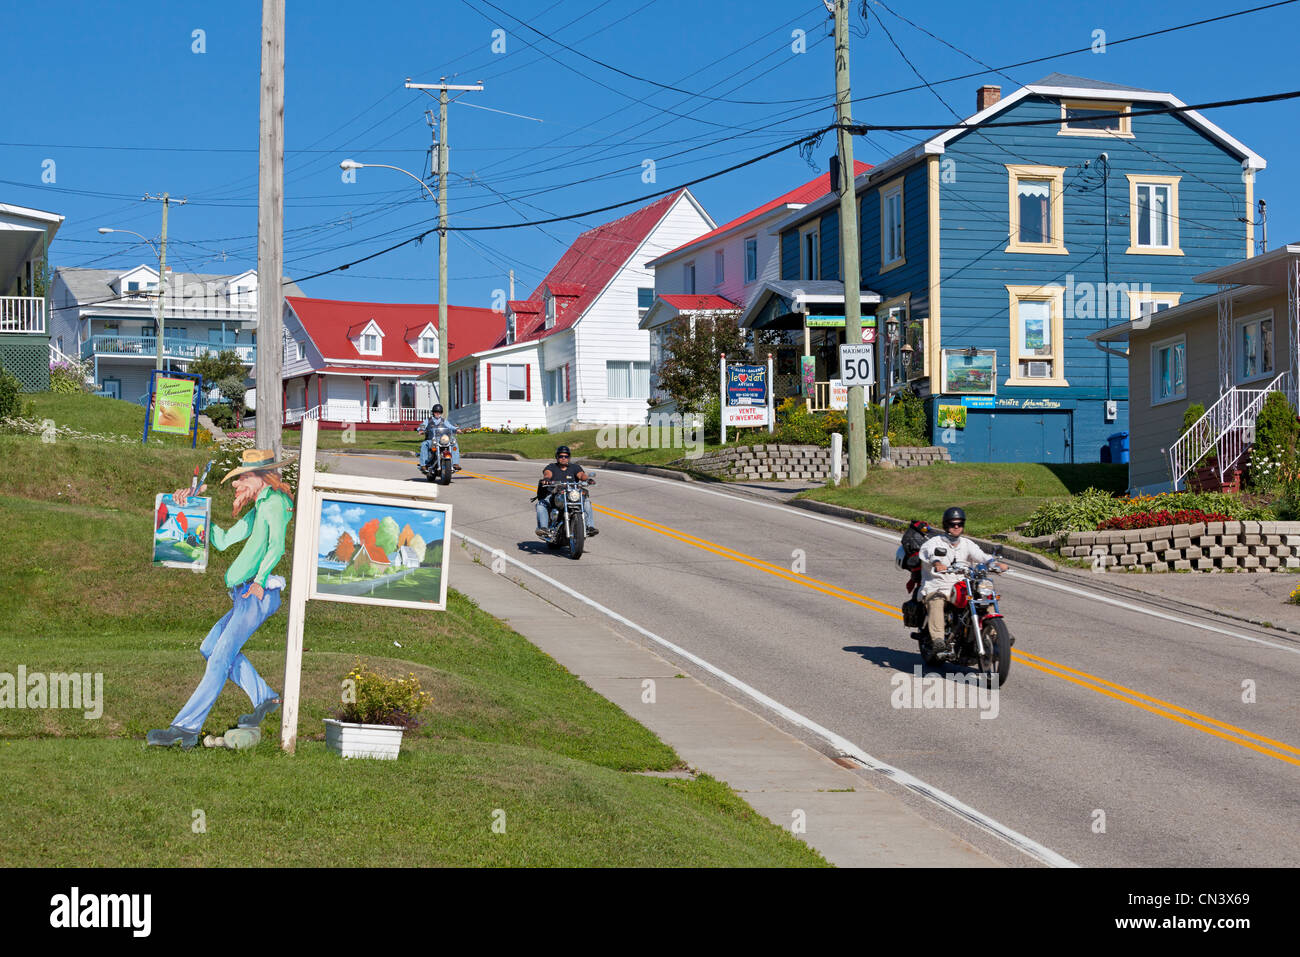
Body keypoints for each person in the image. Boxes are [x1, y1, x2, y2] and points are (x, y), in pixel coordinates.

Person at [146, 449, 295, 749]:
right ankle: (265, 697)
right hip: (244, 595)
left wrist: (259, 581)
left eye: (243, 477)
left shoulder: (275, 504)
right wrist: (196, 510)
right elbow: (224, 540)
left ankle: (185, 728)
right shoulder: (259, 508)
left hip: (257, 594)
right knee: (210, 647)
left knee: (219, 660)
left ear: (262, 477)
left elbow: (277, 547)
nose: (237, 483)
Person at [916, 506, 1007, 654]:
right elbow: (931, 554)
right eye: (953, 524)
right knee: (937, 600)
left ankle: (997, 635)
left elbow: (981, 556)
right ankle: (938, 639)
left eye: (960, 524)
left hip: (963, 585)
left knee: (985, 598)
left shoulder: (967, 543)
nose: (956, 527)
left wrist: (994, 563)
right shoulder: (934, 542)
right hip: (939, 584)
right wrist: (937, 564)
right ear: (946, 525)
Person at [535, 445, 597, 538]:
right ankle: (544, 528)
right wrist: (547, 479)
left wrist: (587, 479)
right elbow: (547, 473)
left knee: (586, 501)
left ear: (569, 457)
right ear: (557, 457)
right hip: (555, 495)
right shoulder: (552, 467)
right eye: (561, 456)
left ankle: (590, 527)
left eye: (566, 456)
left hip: (572, 495)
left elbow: (581, 475)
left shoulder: (575, 467)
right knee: (541, 504)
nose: (563, 458)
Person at [415, 404, 460, 471]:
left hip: (443, 440)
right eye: (436, 412)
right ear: (433, 412)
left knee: (454, 443)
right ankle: (423, 465)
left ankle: (455, 463)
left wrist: (456, 429)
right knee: (424, 444)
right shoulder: (428, 420)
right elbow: (422, 426)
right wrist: (421, 430)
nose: (437, 414)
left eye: (439, 412)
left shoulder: (444, 420)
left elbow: (450, 427)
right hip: (431, 440)